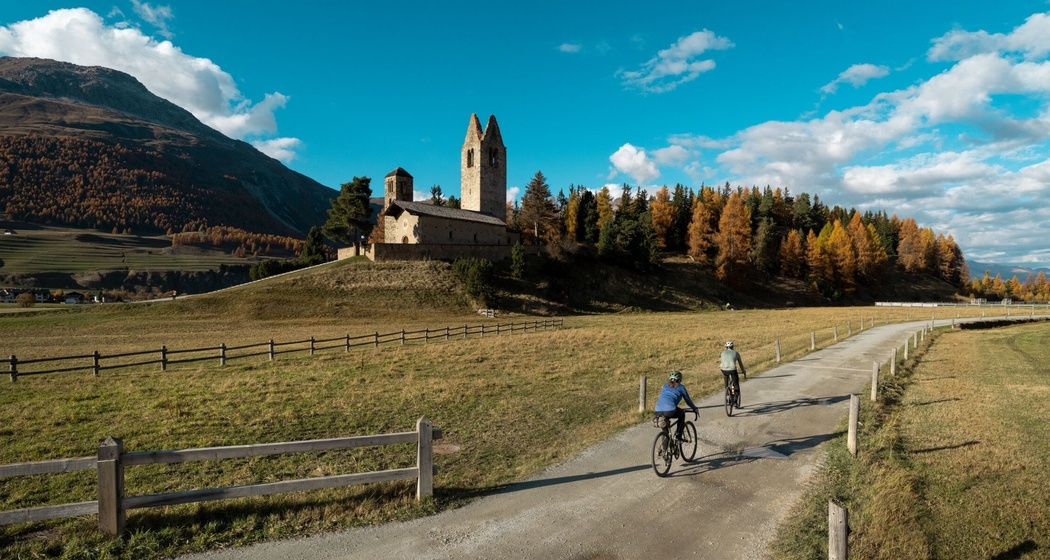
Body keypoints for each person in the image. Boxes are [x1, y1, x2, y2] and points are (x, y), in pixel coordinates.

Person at [654, 370, 698, 440]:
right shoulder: (681, 387)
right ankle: (678, 435)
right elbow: (688, 400)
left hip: (657, 410)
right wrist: (694, 408)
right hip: (670, 410)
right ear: (680, 379)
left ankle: (664, 450)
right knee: (682, 414)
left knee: (665, 431)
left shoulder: (665, 386)